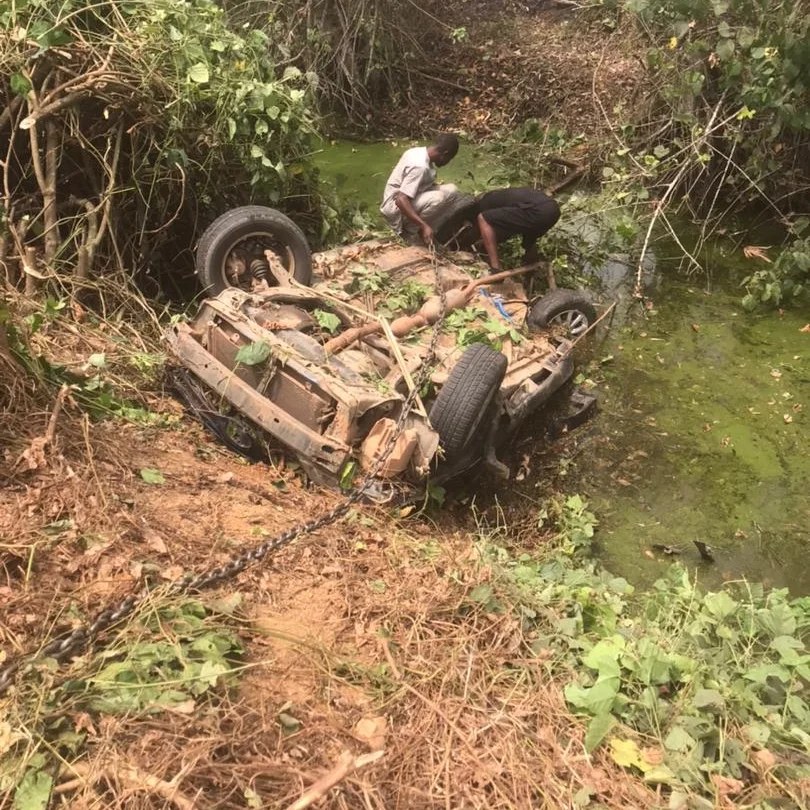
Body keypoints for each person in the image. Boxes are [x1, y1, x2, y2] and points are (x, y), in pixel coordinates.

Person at [380, 133, 461, 245]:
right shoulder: (420, 167)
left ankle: (425, 228)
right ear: (445, 154)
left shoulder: (419, 151)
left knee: (452, 190)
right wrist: (424, 225)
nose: (447, 163)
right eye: (449, 159)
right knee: (438, 198)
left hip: (410, 196)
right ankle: (410, 232)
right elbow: (400, 199)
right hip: (394, 208)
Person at [467, 187, 561, 271]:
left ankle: (496, 267)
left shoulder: (485, 203)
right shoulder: (503, 197)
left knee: (482, 218)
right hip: (553, 210)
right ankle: (531, 269)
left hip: (536, 211)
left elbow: (482, 224)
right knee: (528, 241)